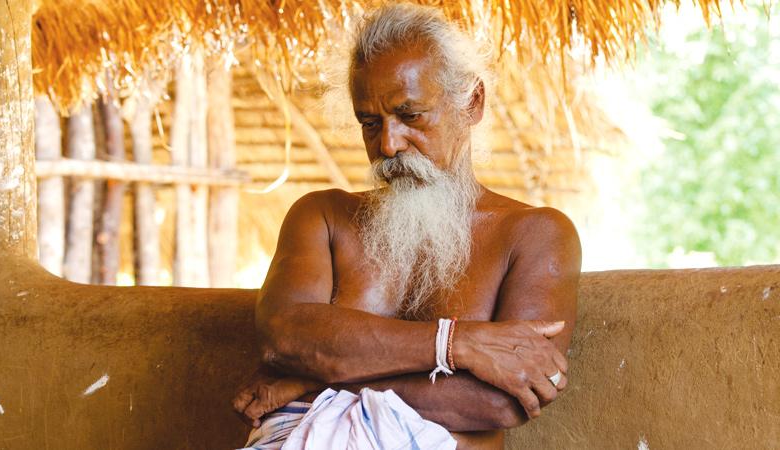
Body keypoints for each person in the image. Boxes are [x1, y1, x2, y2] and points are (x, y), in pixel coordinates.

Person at [232, 3, 581, 449]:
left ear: (471, 102)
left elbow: (503, 401)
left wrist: (311, 383)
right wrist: (457, 345)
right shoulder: (320, 216)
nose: (389, 145)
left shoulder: (536, 234)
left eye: (410, 116)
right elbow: (286, 337)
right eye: (370, 123)